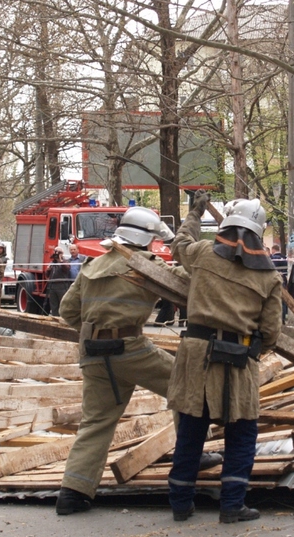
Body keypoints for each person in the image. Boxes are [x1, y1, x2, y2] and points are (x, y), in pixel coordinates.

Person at [55, 206, 202, 515]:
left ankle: (73, 492)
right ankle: (193, 457)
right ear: (149, 238)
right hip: (131, 349)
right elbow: (192, 284)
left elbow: (68, 313)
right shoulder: (146, 266)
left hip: (93, 353)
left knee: (97, 421)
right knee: (186, 386)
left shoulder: (93, 265)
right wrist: (179, 239)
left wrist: (99, 325)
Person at [167, 194, 282, 524]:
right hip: (238, 360)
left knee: (191, 428)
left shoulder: (203, 254)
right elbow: (271, 331)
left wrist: (194, 213)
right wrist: (253, 347)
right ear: (258, 233)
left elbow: (180, 243)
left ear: (226, 227)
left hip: (197, 356)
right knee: (242, 433)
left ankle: (180, 504)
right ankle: (232, 505)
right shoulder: (269, 277)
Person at [46, 246, 71, 316]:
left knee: (63, 303)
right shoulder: (52, 263)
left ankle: (63, 317)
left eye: (58, 252)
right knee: (54, 304)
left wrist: (60, 260)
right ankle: (55, 317)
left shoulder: (66, 261)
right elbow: (47, 275)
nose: (56, 254)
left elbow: (67, 269)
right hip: (52, 286)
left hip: (62, 286)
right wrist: (48, 270)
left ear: (62, 253)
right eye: (55, 252)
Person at [269, 244, 288, 324]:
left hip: (274, 281)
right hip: (283, 280)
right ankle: (283, 318)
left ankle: (278, 320)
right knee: (283, 301)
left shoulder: (272, 259)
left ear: (273, 250)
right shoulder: (284, 258)